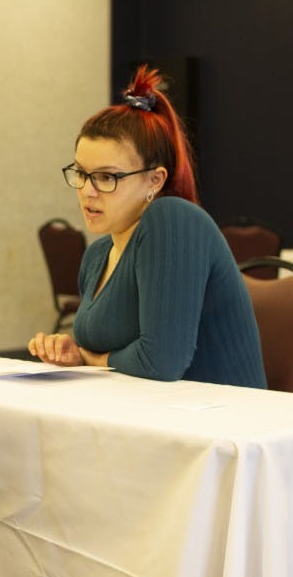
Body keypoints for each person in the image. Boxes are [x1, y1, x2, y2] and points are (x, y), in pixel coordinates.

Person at [28, 66, 266, 389]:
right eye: (81, 173)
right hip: (148, 416)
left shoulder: (172, 219)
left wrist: (90, 359)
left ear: (155, 180)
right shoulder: (98, 254)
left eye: (106, 177)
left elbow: (161, 361)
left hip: (220, 424)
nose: (87, 190)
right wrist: (74, 352)